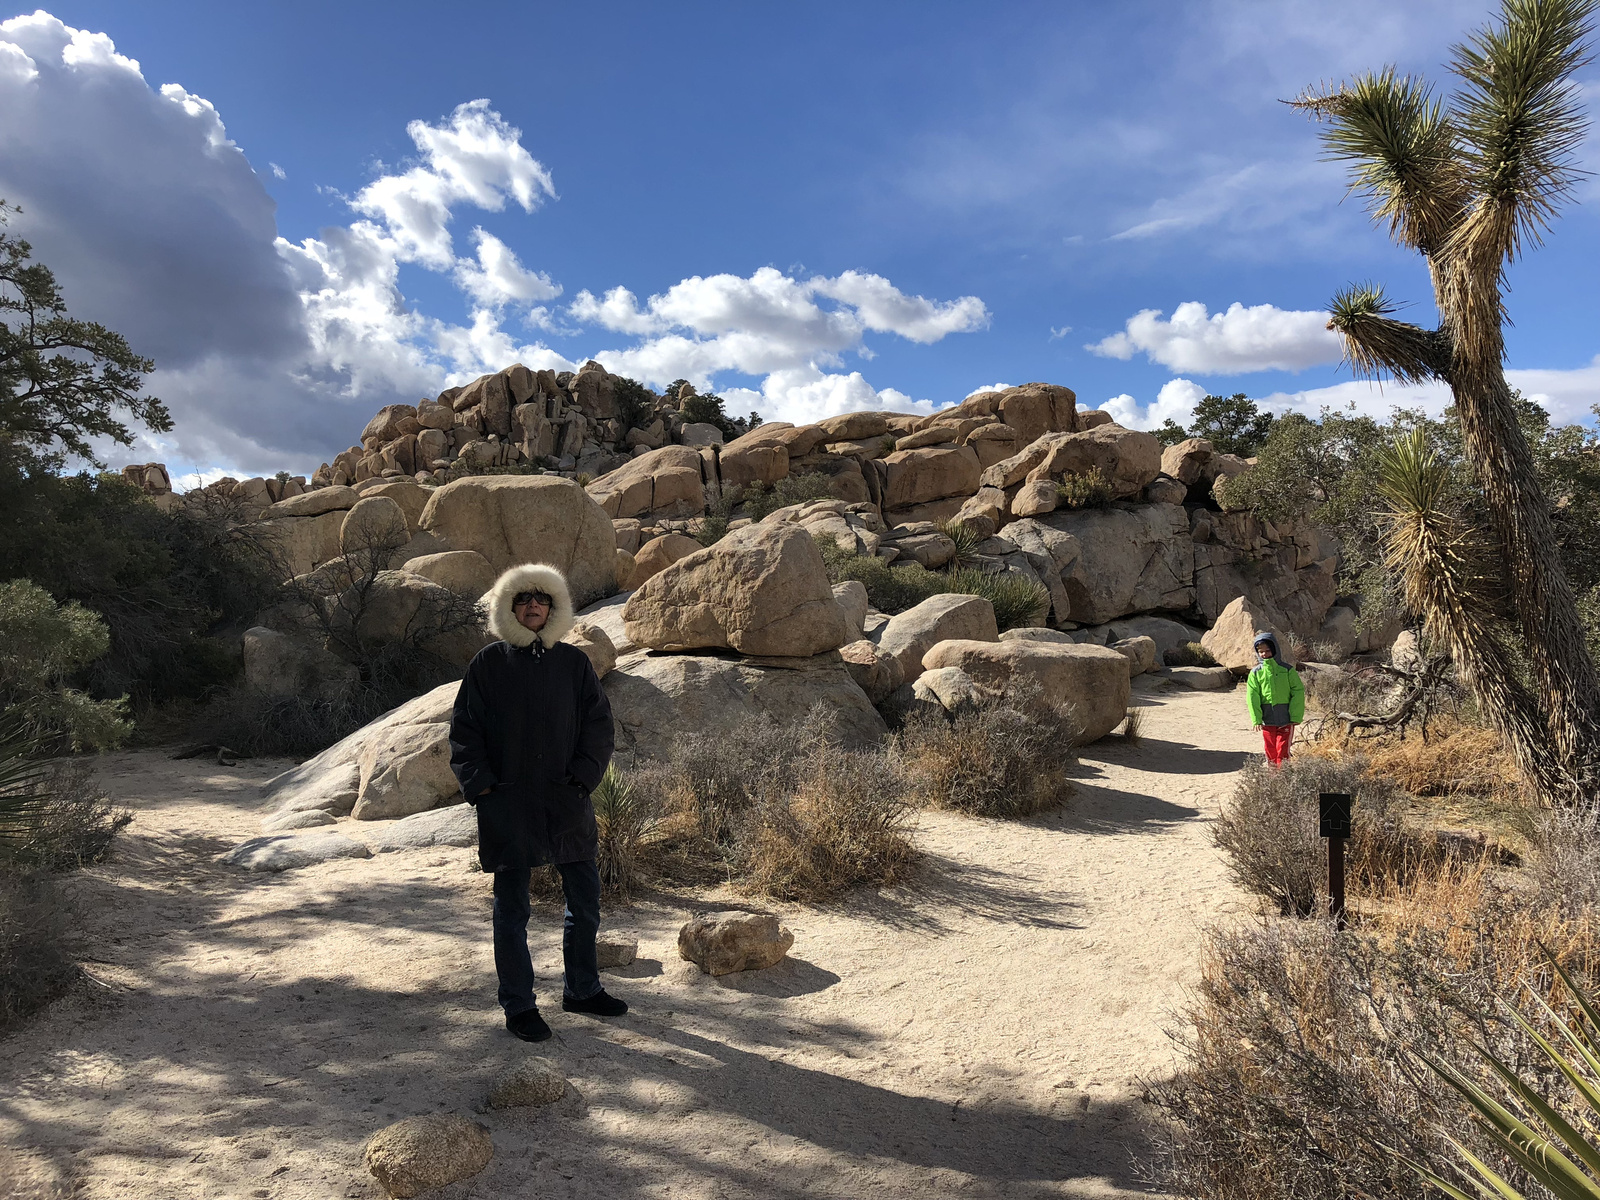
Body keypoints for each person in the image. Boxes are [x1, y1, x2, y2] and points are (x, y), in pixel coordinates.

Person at [449, 562, 626, 1043]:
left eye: (541, 598)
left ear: (554, 608)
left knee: (584, 903)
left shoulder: (573, 665)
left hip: (566, 800)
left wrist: (583, 778)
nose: (532, 604)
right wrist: (482, 788)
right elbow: (464, 732)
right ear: (510, 606)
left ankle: (583, 990)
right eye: (523, 598)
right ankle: (519, 1005)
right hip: (508, 805)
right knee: (512, 911)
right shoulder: (488, 663)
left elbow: (599, 728)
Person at [1246, 631, 1304, 767]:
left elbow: (1298, 692)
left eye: (1267, 650)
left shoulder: (1287, 670)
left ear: (1275, 649)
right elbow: (1252, 696)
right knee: (1270, 749)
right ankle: (1273, 778)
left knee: (1283, 750)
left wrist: (1295, 716)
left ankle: (1283, 775)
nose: (1264, 654)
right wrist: (1256, 719)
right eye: (1261, 651)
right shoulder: (1256, 673)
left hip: (1286, 719)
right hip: (1267, 720)